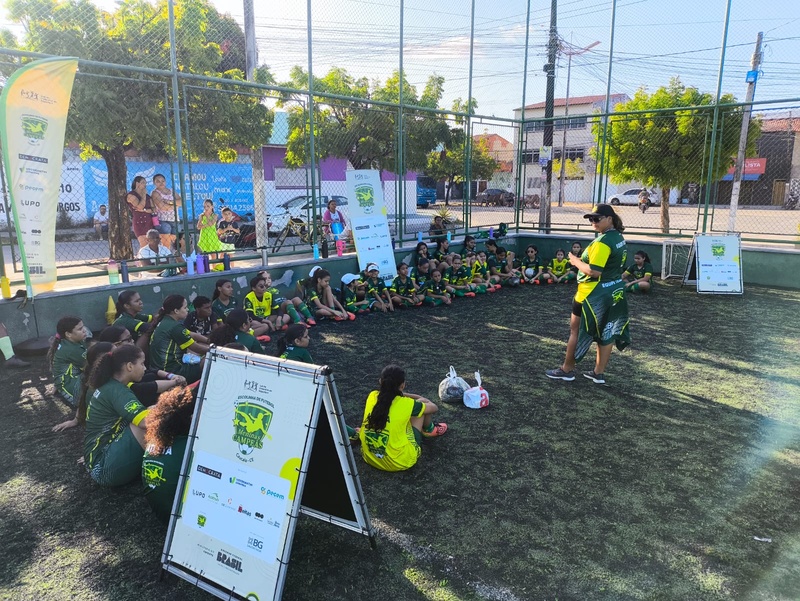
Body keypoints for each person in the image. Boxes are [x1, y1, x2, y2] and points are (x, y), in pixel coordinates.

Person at [546, 204, 630, 385]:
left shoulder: (602, 243)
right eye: (591, 219)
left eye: (597, 219)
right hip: (614, 290)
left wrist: (575, 261)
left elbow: (594, 271)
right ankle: (598, 373)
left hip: (592, 293)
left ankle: (566, 369)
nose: (593, 222)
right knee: (606, 332)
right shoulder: (617, 237)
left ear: (609, 218)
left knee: (575, 330)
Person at [52, 336, 186, 432]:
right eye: (115, 352)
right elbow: (145, 419)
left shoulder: (102, 380)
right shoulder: (113, 387)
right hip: (110, 441)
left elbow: (151, 374)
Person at [359, 364, 447, 472]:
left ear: (380, 382)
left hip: (370, 457)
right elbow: (434, 408)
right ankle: (429, 429)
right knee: (422, 405)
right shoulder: (406, 404)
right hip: (399, 461)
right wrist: (419, 397)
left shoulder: (372, 395)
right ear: (403, 385)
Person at [83, 344, 149, 486]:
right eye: (142, 364)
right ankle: (165, 465)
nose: (145, 368)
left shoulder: (108, 384)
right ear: (130, 366)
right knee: (146, 424)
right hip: (103, 469)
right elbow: (145, 422)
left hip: (96, 460)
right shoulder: (116, 390)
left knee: (151, 411)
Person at [142, 386, 194, 523]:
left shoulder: (154, 440)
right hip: (181, 520)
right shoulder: (190, 447)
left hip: (160, 514)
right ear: (190, 418)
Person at [147, 294, 209, 384]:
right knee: (208, 360)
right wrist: (214, 350)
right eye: (185, 307)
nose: (188, 310)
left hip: (158, 369)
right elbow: (195, 347)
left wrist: (208, 341)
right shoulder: (175, 327)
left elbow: (191, 334)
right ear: (176, 311)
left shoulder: (165, 321)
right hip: (173, 370)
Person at [49, 316, 88, 406]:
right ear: (68, 334)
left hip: (68, 381)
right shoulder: (72, 350)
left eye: (83, 326)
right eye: (80, 329)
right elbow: (92, 367)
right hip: (71, 389)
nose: (84, 330)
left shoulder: (71, 342)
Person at [150, 173, 181, 249]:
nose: (161, 183)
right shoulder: (155, 193)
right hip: (163, 220)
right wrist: (175, 204)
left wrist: (168, 202)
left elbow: (181, 201)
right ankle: (166, 257)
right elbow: (162, 207)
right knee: (166, 244)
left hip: (175, 219)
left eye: (163, 181)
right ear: (154, 183)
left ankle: (173, 257)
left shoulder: (171, 190)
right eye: (158, 181)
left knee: (175, 243)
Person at [126, 176, 157, 249]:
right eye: (143, 183)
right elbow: (140, 206)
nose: (145, 185)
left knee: (151, 244)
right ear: (137, 183)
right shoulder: (131, 195)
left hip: (149, 222)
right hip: (139, 222)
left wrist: (145, 210)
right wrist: (143, 195)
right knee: (144, 245)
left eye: (146, 183)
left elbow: (154, 209)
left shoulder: (147, 196)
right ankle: (142, 259)